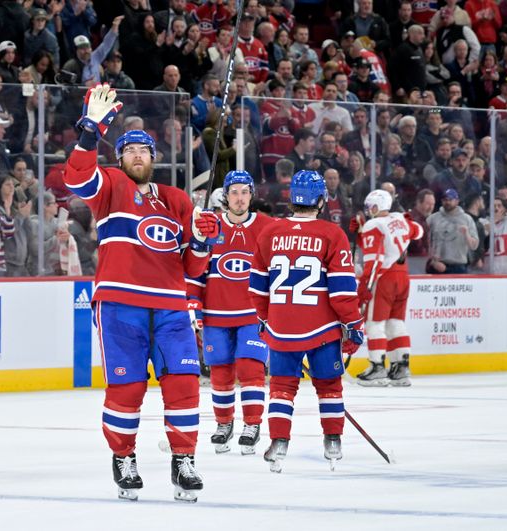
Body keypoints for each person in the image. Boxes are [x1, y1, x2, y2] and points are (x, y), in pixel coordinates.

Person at [62, 83, 219, 503]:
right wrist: (90, 132)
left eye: (143, 150)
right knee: (127, 390)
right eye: (129, 150)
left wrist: (204, 242)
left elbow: (193, 267)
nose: (136, 155)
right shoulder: (111, 186)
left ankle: (183, 460)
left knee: (184, 383)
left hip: (170, 306)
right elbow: (76, 177)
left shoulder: (177, 200)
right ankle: (124, 458)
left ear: (154, 157)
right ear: (120, 158)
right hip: (119, 304)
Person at [248, 170, 364, 473]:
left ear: (291, 199)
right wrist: (353, 324)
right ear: (322, 200)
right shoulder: (331, 234)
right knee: (329, 386)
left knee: (281, 387)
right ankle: (333, 441)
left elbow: (257, 287)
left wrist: (265, 319)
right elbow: (341, 291)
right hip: (322, 330)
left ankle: (279, 443)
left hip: (281, 328)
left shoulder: (269, 233)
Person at [186, 171, 274, 456]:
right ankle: (224, 424)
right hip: (216, 313)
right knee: (221, 371)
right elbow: (196, 269)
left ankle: (252, 424)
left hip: (253, 314)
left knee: (251, 368)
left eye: (244, 192)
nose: (239, 198)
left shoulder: (266, 227)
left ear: (251, 195)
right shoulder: (210, 227)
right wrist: (193, 302)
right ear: (226, 196)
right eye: (234, 192)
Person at [355, 190, 424, 387]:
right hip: (403, 275)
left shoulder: (373, 225)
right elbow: (418, 231)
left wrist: (365, 286)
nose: (368, 211)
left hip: (384, 278)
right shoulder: (400, 218)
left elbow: (374, 259)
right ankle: (401, 367)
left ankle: (377, 367)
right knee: (396, 322)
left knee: (374, 324)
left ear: (376, 206)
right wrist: (361, 236)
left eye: (370, 207)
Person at [427, 188, 479, 274]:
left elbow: (474, 246)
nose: (447, 202)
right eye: (445, 200)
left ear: (457, 201)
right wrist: (433, 262)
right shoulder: (433, 218)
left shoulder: (467, 219)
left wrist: (466, 234)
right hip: (438, 266)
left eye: (450, 199)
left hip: (459, 267)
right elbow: (426, 241)